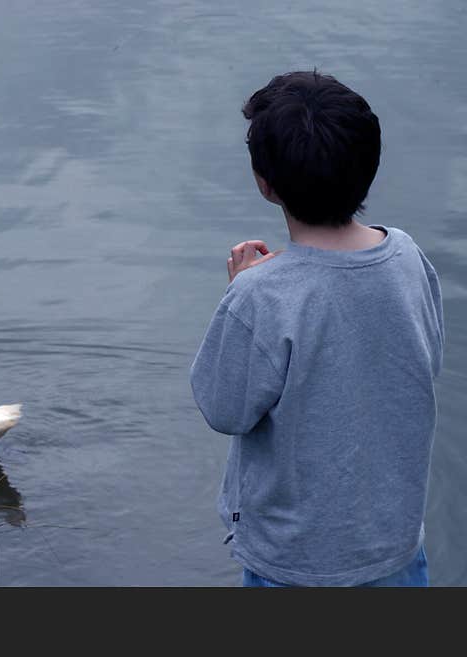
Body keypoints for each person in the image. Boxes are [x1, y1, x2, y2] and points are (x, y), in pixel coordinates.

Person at [190, 71, 444, 587]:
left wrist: (240, 293)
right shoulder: (407, 257)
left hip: (295, 565)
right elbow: (424, 362)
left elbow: (224, 408)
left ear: (265, 183)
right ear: (369, 167)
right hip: (395, 550)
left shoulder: (261, 293)